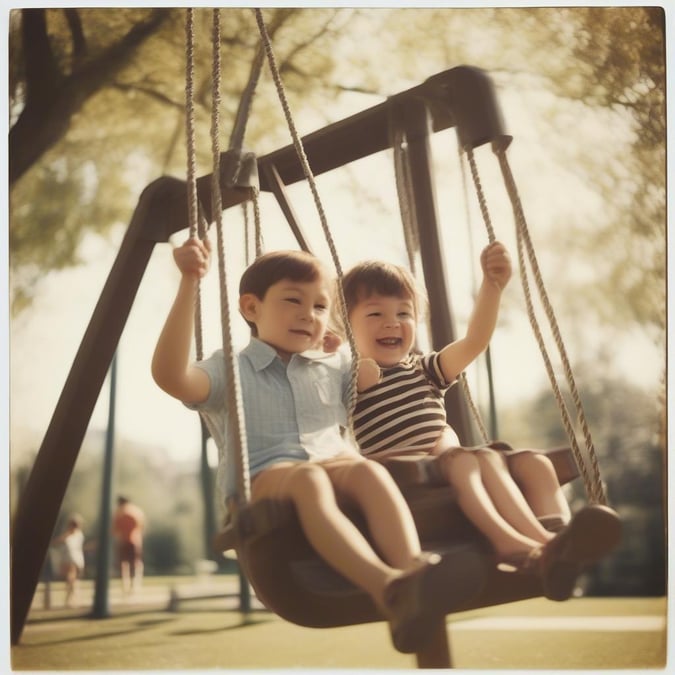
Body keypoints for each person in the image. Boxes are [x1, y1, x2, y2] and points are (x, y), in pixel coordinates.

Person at [152, 237, 486, 653]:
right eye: (293, 301)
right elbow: (171, 376)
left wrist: (339, 345)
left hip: (335, 467)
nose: (308, 315)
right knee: (308, 479)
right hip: (263, 479)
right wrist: (188, 283)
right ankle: (389, 587)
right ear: (251, 308)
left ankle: (414, 570)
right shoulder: (230, 368)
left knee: (367, 470)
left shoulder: (335, 366)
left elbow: (371, 366)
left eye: (320, 306)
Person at [341, 242, 621, 601]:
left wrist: (492, 287)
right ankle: (517, 545)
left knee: (532, 463)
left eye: (404, 313)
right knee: (465, 460)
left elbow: (475, 341)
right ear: (346, 325)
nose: (392, 322)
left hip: (452, 462)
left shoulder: (424, 369)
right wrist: (348, 359)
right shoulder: (344, 376)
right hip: (402, 475)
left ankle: (559, 544)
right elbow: (331, 380)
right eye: (375, 314)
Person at [112, 495, 145, 595]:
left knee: (124, 564)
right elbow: (141, 526)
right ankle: (134, 586)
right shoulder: (137, 511)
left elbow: (115, 530)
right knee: (134, 564)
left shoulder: (120, 513)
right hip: (135, 541)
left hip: (124, 541)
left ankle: (126, 586)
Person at [51, 514, 85, 607]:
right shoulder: (79, 534)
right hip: (77, 558)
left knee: (71, 579)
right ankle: (73, 598)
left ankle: (71, 599)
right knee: (73, 579)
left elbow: (59, 541)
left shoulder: (70, 534)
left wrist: (53, 543)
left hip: (71, 558)